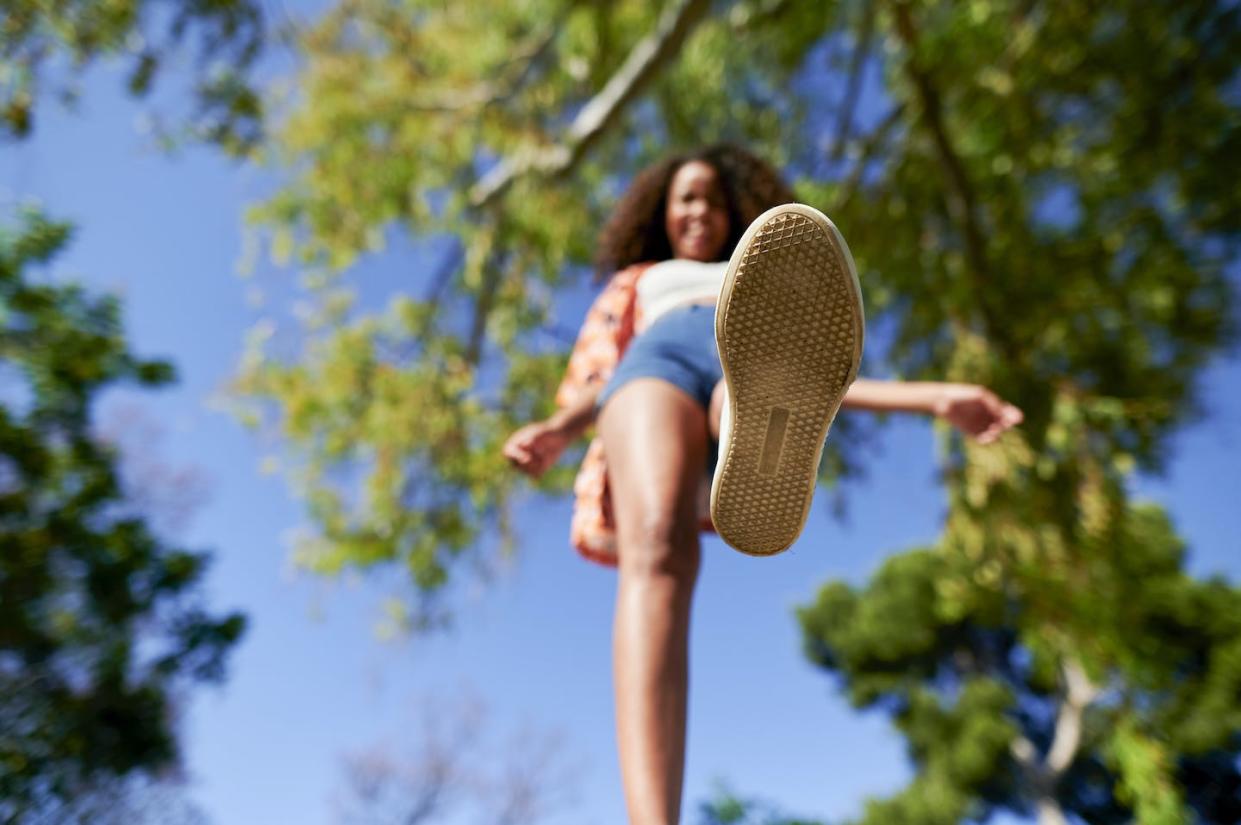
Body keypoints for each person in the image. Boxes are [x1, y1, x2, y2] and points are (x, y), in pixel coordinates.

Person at [502, 145, 1022, 825]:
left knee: (758, 387)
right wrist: (558, 427)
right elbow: (601, 368)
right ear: (662, 212)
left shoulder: (754, 267)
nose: (699, 210)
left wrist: (934, 397)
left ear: (732, 213)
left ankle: (747, 431)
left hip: (735, 353)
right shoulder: (642, 277)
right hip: (649, 366)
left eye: (713, 200)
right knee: (656, 550)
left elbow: (827, 374)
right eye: (685, 197)